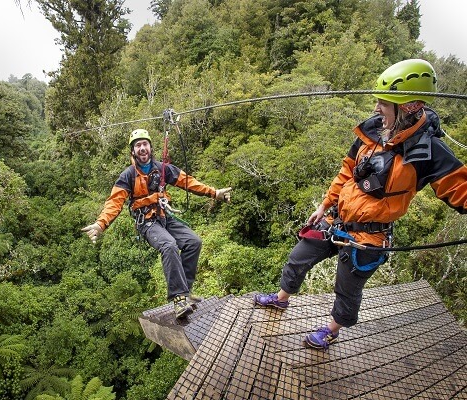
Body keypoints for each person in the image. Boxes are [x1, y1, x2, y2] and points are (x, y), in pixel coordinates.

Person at [254, 59, 467, 349]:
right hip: (338, 220)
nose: (377, 108)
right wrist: (325, 204)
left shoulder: (429, 152)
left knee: (347, 289)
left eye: (384, 103)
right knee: (299, 256)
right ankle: (280, 300)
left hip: (369, 235)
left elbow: (459, 188)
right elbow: (347, 170)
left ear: (410, 106)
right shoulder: (373, 131)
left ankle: (332, 330)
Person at [82, 128, 232, 319]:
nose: (142, 148)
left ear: (151, 147)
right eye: (138, 146)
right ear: (133, 152)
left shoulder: (163, 169)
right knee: (169, 245)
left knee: (193, 242)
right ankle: (178, 299)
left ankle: (185, 292)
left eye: (145, 144)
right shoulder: (128, 176)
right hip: (147, 222)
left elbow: (187, 182)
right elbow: (115, 202)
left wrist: (214, 192)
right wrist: (100, 224)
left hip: (164, 216)